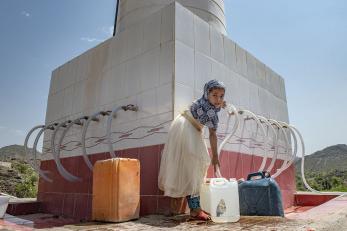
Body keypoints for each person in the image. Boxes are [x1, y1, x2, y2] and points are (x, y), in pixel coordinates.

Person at [158, 79, 226, 221]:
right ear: (207, 93)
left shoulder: (203, 101)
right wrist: (215, 156)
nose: (218, 99)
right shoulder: (211, 112)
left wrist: (221, 103)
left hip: (180, 124)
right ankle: (195, 210)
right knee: (196, 168)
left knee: (182, 167)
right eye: (215, 95)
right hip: (189, 130)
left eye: (221, 96)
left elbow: (215, 106)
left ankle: (174, 208)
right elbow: (213, 135)